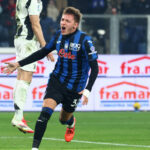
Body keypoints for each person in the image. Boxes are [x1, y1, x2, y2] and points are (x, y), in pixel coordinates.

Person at [3, 7, 98, 150]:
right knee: (44, 115)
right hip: (57, 82)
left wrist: (87, 90)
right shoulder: (59, 36)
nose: (63, 23)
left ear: (75, 25)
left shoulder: (85, 41)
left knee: (63, 119)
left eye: (67, 21)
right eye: (62, 19)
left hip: (75, 88)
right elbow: (42, 52)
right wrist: (18, 64)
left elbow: (95, 68)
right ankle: (34, 148)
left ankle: (71, 123)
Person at [11, 0, 54, 134]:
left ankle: (18, 116)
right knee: (25, 77)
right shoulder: (33, 0)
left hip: (20, 38)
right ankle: (18, 117)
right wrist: (45, 46)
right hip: (28, 41)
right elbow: (35, 24)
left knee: (21, 77)